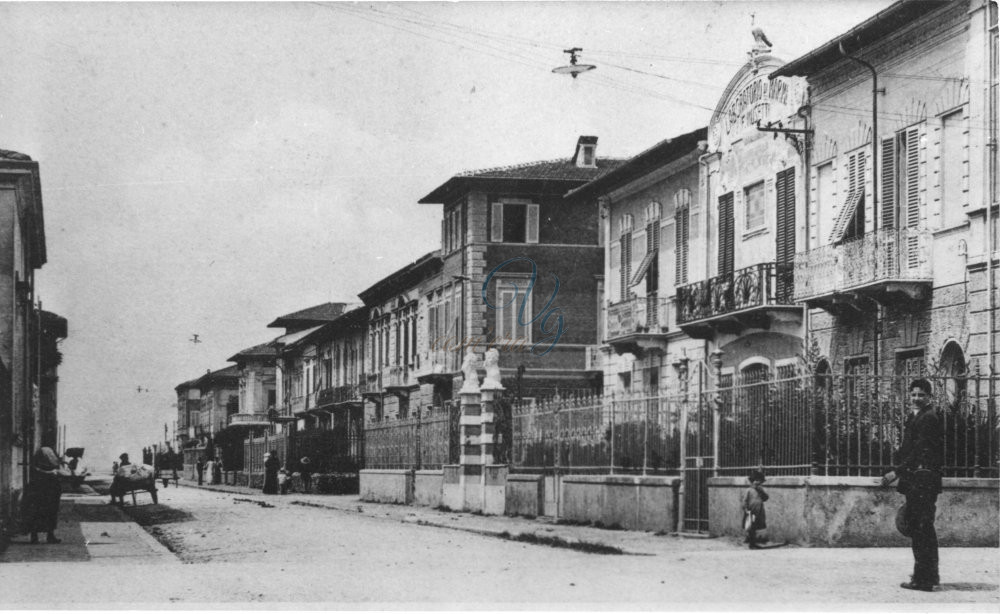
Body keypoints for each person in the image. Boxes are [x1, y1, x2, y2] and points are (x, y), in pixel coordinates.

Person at [882, 378, 944, 592]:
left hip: (923, 480)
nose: (916, 398)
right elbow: (908, 448)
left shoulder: (929, 418)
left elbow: (919, 450)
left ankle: (924, 579)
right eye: (914, 394)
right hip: (918, 480)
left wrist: (896, 471)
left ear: (929, 397)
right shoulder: (916, 416)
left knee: (921, 528)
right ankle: (929, 575)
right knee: (923, 528)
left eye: (921, 395)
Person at [23, 446, 64, 544]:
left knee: (44, 513)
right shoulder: (41, 467)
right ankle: (43, 536)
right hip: (45, 493)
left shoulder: (43, 465)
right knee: (43, 513)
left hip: (46, 492)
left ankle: (42, 536)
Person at [743, 469, 768, 550]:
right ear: (752, 481)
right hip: (751, 512)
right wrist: (746, 509)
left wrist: (761, 492)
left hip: (758, 511)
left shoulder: (760, 490)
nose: (757, 482)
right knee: (751, 527)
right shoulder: (749, 490)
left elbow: (765, 498)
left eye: (759, 481)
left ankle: (753, 542)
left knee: (756, 527)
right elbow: (745, 501)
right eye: (755, 481)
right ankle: (751, 543)